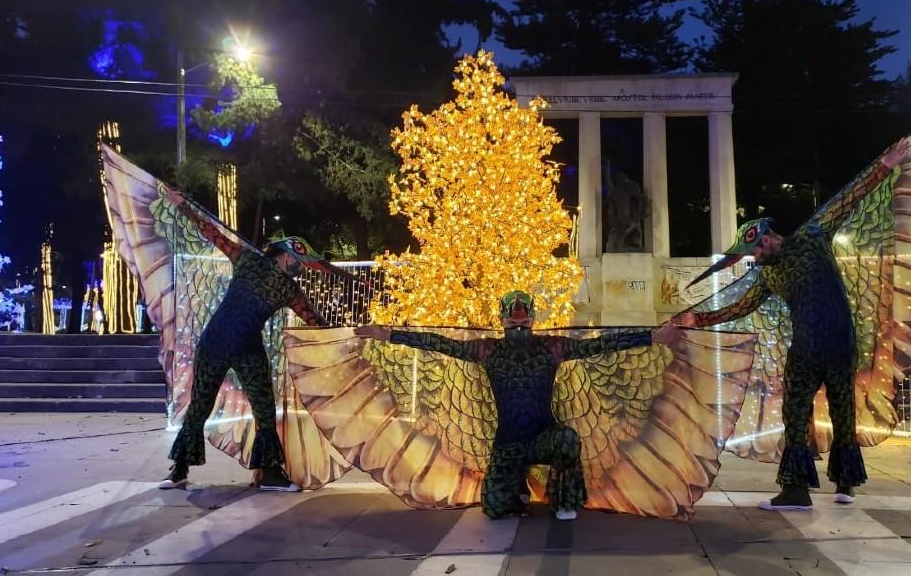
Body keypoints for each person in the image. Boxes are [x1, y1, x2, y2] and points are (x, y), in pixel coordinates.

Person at [669, 139, 910, 511]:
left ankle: (845, 482)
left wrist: (885, 166)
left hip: (838, 343)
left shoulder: (813, 237)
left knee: (842, 408)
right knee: (795, 413)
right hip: (808, 349)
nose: (752, 259)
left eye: (753, 251)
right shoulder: (768, 276)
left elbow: (848, 201)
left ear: (766, 238)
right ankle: (797, 489)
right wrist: (696, 319)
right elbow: (738, 307)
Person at [356, 290, 681, 520]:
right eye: (513, 320)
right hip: (508, 445)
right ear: (502, 320)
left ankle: (563, 500)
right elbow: (438, 343)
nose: (519, 323)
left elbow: (603, 344)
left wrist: (653, 338)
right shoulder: (488, 351)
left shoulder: (553, 347)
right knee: (496, 510)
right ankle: (516, 484)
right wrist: (388, 335)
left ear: (534, 319)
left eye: (524, 319)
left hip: (543, 437)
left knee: (567, 439)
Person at [158, 186, 333, 492]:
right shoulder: (247, 259)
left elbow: (315, 321)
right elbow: (212, 232)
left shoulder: (290, 290)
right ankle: (180, 469)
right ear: (287, 255)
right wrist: (182, 204)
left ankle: (269, 472)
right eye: (299, 263)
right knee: (200, 404)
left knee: (264, 406)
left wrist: (350, 335)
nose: (301, 269)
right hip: (217, 341)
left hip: (248, 348)